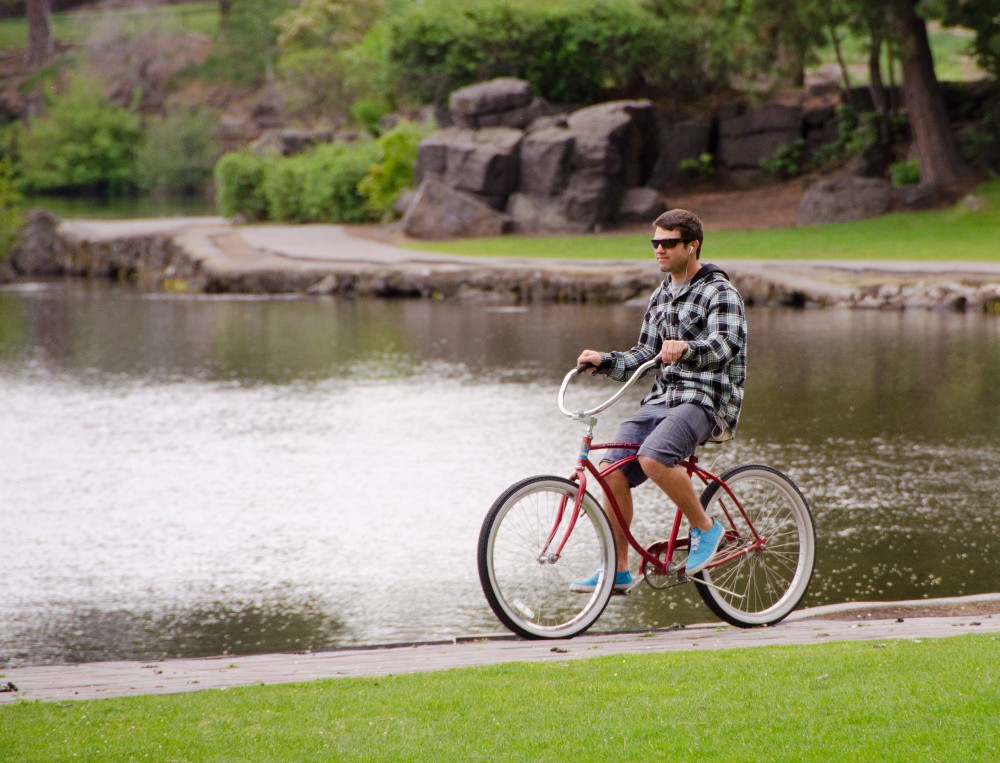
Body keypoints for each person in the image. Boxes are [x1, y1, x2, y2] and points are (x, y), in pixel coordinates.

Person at [571, 208, 747, 593]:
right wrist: (604, 361)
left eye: (669, 243)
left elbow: (723, 345)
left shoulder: (720, 291)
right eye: (656, 243)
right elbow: (645, 355)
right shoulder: (662, 294)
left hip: (707, 400)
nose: (660, 250)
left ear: (692, 246)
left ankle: (706, 527)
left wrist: (686, 348)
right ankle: (618, 570)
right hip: (663, 398)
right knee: (611, 468)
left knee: (653, 457)